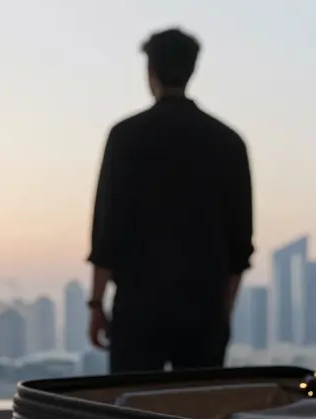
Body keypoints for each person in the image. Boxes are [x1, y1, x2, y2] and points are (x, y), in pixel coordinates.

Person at [86, 27, 254, 373]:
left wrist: (96, 303)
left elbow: (108, 228)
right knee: (196, 417)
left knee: (133, 414)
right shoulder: (228, 142)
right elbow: (240, 242)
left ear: (151, 72)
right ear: (193, 69)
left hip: (138, 305)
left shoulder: (126, 137)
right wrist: (223, 312)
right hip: (203, 306)